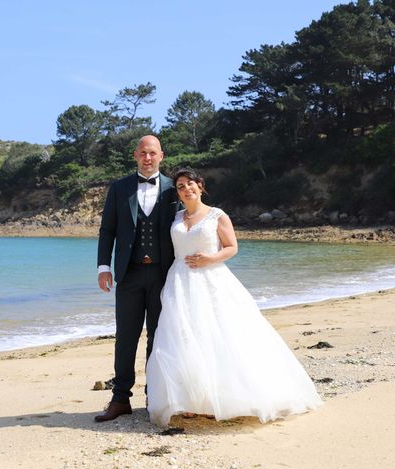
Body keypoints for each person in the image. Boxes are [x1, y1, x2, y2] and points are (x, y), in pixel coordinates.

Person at [146, 168, 323, 426]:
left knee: (216, 335)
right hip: (179, 281)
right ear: (178, 192)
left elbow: (232, 247)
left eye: (191, 184)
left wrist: (209, 258)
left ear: (201, 186)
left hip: (210, 278)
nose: (187, 189)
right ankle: (191, 400)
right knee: (183, 337)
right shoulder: (176, 217)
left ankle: (218, 399)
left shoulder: (216, 215)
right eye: (181, 186)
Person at [94, 135, 178, 422]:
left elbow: (187, 224)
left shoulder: (173, 189)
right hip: (128, 274)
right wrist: (103, 267)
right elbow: (107, 230)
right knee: (125, 338)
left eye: (152, 153)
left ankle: (154, 396)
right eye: (143, 152)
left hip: (162, 274)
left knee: (158, 336)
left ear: (161, 156)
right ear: (135, 155)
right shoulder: (119, 188)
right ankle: (120, 399)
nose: (147, 157)